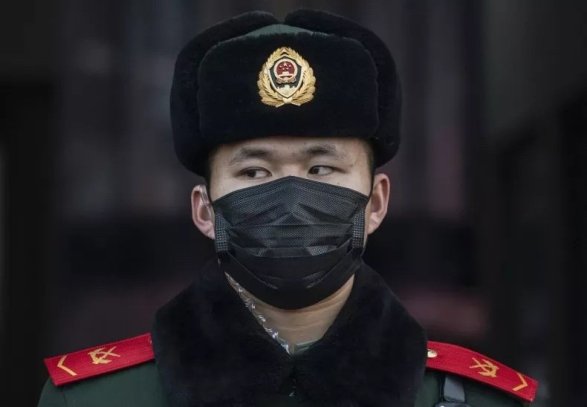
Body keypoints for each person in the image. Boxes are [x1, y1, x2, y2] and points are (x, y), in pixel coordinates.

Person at [37, 9, 537, 407]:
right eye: (255, 172)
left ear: (377, 202)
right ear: (205, 210)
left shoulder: (477, 399)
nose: (291, 198)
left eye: (322, 168)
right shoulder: (94, 398)